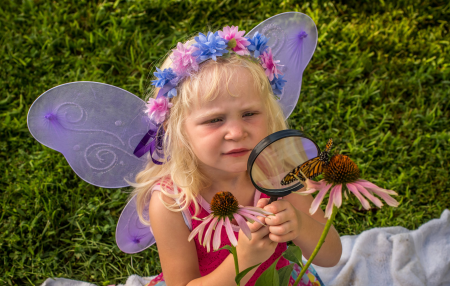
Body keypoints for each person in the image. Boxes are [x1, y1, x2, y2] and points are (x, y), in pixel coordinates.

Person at [130, 21, 342, 286]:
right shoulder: (173, 203)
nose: (236, 132)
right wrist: (243, 260)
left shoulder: (280, 173)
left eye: (249, 114)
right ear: (178, 129)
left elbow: (331, 254)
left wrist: (300, 224)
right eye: (215, 120)